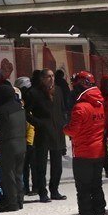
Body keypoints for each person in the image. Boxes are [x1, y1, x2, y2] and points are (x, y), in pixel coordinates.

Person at [65, 71, 106, 215]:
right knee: (97, 186)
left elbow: (73, 131)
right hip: (98, 152)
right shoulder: (100, 104)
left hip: (83, 153)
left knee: (83, 189)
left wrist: (64, 128)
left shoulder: (80, 107)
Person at [24, 68, 67, 202]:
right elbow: (26, 112)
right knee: (41, 165)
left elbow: (61, 109)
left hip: (58, 132)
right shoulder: (34, 92)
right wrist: (38, 123)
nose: (51, 79)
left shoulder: (58, 90)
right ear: (42, 79)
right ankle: (42, 191)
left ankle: (55, 190)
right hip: (43, 132)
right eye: (48, 77)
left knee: (57, 166)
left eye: (52, 76)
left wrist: (63, 124)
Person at [0, 79, 26, 213]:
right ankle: (20, 199)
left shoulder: (2, 110)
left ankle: (12, 202)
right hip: (22, 143)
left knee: (7, 174)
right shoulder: (19, 107)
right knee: (18, 173)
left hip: (8, 144)